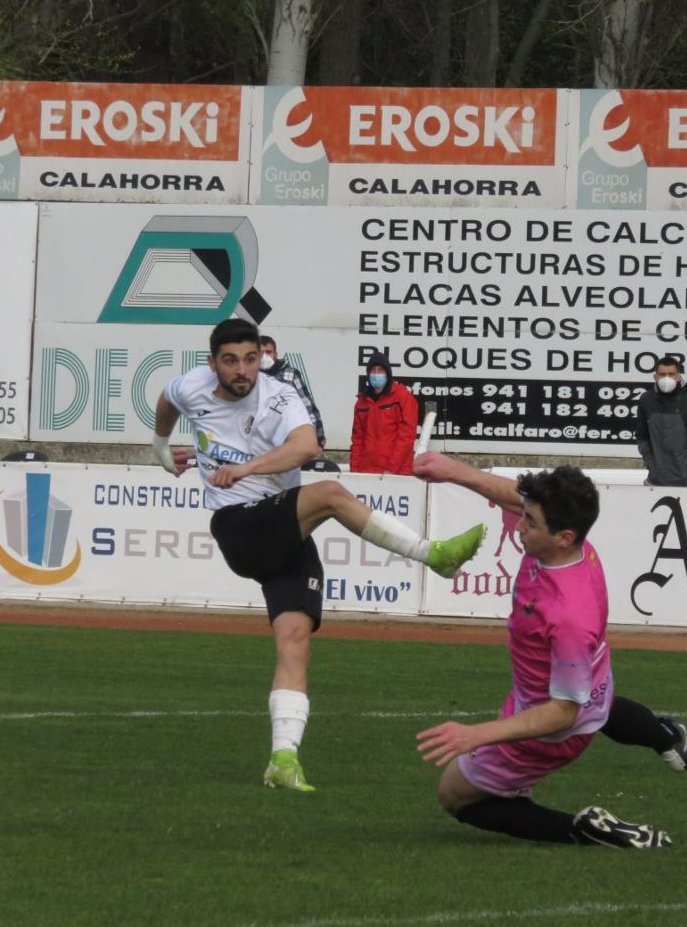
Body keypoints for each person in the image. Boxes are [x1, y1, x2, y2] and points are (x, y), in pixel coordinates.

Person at [153, 319, 485, 792]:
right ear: (213, 363)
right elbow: (167, 399)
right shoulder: (194, 385)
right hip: (239, 526)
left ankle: (282, 760)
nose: (243, 369)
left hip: (284, 532)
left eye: (251, 358)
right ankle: (432, 554)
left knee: (294, 642)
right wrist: (161, 448)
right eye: (231, 360)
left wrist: (246, 466)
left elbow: (307, 445)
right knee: (329, 492)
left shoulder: (278, 395)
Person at [413, 451, 687, 848]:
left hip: (548, 726)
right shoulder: (571, 540)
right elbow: (517, 497)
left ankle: (583, 832)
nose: (518, 524)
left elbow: (563, 713)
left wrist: (478, 734)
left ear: (563, 537)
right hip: (591, 679)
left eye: (530, 522)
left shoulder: (567, 615)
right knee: (604, 707)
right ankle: (665, 735)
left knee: (455, 796)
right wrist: (456, 472)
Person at [634, 355, 687, 486]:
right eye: (662, 374)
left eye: (671, 374)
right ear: (655, 377)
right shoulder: (646, 401)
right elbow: (642, 437)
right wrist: (651, 465)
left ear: (678, 377)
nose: (666, 378)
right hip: (655, 481)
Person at [350, 351, 418, 475]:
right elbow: (357, 440)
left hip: (396, 473)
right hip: (366, 472)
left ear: (388, 373)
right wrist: (354, 472)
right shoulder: (361, 402)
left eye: (380, 370)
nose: (376, 374)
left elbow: (406, 437)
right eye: (373, 370)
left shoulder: (403, 397)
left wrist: (391, 470)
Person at [259, 335, 326, 452]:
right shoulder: (249, 377)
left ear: (276, 354)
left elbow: (307, 407)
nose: (264, 356)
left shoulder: (290, 374)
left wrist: (317, 439)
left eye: (268, 352)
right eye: (260, 353)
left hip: (287, 437)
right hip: (259, 441)